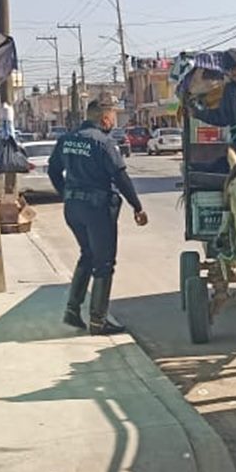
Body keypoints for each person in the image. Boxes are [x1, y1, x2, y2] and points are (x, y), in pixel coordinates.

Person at [48, 97, 149, 335]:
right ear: (104, 119)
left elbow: (53, 170)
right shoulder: (103, 142)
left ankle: (72, 310)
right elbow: (120, 177)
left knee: (88, 254)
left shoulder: (67, 139)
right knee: (104, 263)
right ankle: (98, 320)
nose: (114, 122)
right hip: (97, 208)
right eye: (113, 117)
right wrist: (137, 206)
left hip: (73, 208)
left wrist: (66, 194)